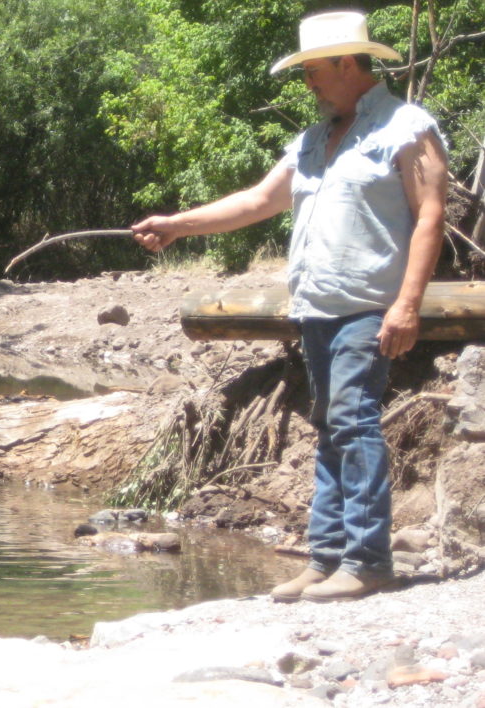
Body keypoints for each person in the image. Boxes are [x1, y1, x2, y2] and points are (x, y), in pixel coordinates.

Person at [131, 10, 448, 602]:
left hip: (368, 306)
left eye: (315, 71)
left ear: (349, 65)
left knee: (353, 425)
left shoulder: (407, 127)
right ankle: (326, 559)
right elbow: (256, 201)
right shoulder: (311, 140)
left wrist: (408, 304)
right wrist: (177, 225)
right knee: (331, 429)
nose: (308, 83)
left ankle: (370, 561)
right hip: (317, 309)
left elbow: (431, 214)